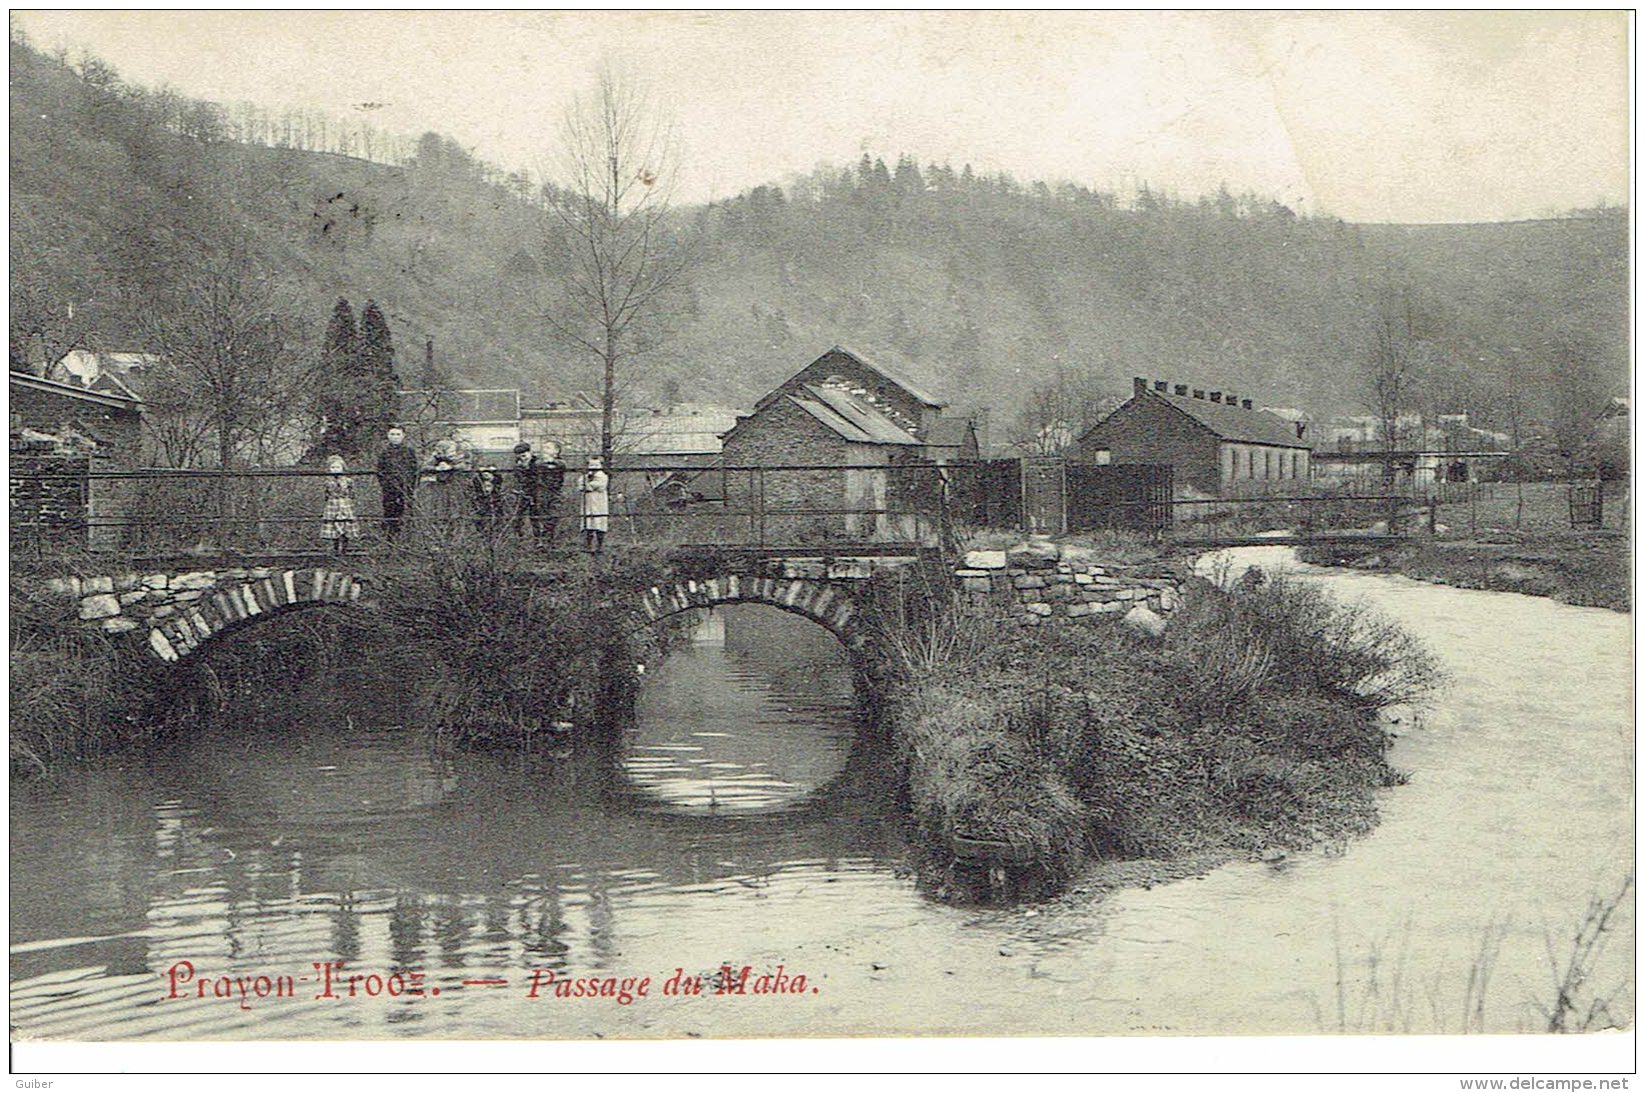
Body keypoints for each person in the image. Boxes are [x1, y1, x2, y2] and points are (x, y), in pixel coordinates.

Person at [511, 441, 567, 543]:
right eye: (520, 457)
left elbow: (553, 468)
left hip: (543, 493)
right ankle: (523, 539)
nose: (523, 458)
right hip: (527, 493)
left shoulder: (539, 462)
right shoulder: (519, 465)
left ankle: (545, 541)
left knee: (546, 518)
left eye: (524, 455)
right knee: (520, 518)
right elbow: (518, 479)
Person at [419, 437, 470, 538]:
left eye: (450, 448)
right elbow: (423, 467)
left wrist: (451, 467)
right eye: (443, 448)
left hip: (455, 488)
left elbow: (465, 467)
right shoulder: (434, 458)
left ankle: (455, 536)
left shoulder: (460, 458)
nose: (447, 451)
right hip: (437, 489)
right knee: (438, 511)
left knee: (455, 512)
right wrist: (436, 468)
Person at [375, 426, 419, 541]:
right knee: (390, 511)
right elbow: (380, 471)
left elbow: (414, 470)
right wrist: (387, 484)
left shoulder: (409, 451)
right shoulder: (384, 452)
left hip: (406, 487)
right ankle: (390, 537)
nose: (395, 437)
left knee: (407, 511)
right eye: (392, 434)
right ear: (388, 436)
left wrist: (410, 486)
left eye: (398, 434)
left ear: (403, 436)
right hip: (389, 488)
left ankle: (408, 538)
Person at [320, 455, 359, 555]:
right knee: (334, 525)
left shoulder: (348, 480)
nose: (335, 469)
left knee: (346, 524)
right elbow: (325, 493)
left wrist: (350, 500)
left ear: (342, 467)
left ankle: (345, 548)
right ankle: (335, 548)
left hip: (345, 503)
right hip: (333, 504)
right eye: (333, 467)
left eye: (337, 467)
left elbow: (352, 493)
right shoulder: (327, 481)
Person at [580, 455, 610, 553]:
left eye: (596, 464)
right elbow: (581, 486)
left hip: (599, 501)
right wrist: (586, 482)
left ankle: (599, 545)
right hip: (588, 501)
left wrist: (588, 484)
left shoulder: (603, 476)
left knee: (599, 521)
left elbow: (598, 486)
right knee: (588, 522)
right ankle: (588, 545)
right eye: (591, 464)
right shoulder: (585, 476)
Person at [471, 468, 506, 536]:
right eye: (484, 486)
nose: (486, 489)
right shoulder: (477, 499)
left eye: (489, 486)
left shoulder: (500, 499)